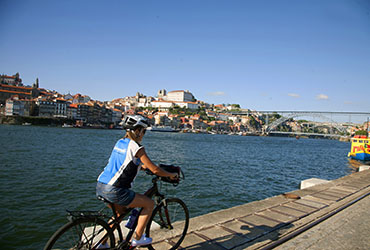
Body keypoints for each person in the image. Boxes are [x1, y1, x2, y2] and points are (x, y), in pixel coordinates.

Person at [96, 115, 178, 248]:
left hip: (101, 185)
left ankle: (102, 243)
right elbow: (155, 169)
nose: (143, 134)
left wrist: (143, 167)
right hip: (115, 190)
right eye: (143, 131)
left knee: (119, 214)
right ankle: (138, 239)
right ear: (137, 131)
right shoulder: (137, 147)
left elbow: (128, 162)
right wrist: (171, 174)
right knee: (149, 204)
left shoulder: (120, 142)